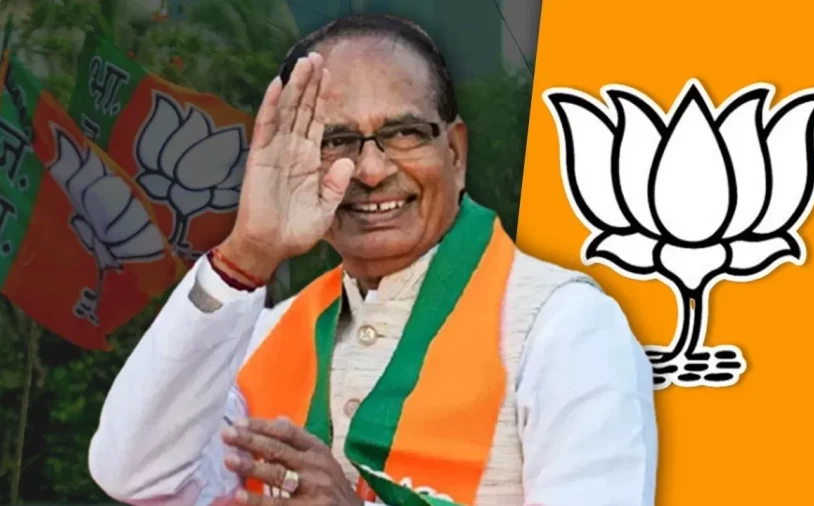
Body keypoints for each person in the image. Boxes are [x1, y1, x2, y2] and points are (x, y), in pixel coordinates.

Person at [88, 13, 658, 506]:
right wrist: (249, 252)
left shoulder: (563, 327)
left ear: (455, 153)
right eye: (335, 142)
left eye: (403, 133)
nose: (370, 170)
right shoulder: (267, 334)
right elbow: (135, 474)